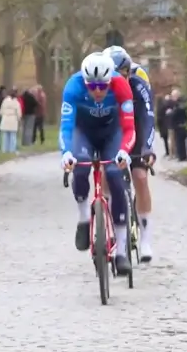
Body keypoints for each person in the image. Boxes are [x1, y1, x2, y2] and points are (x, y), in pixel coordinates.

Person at [59, 52, 136, 275]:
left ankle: (121, 251)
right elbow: (66, 127)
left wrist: (124, 151)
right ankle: (84, 219)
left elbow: (130, 128)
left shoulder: (121, 86)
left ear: (110, 80)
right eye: (92, 86)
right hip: (83, 132)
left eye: (103, 86)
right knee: (81, 167)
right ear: (84, 81)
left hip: (112, 133)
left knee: (114, 174)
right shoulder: (73, 87)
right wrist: (66, 153)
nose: (98, 91)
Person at [105, 47, 157, 262]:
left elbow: (147, 119)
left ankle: (145, 239)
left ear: (128, 72)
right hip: (112, 132)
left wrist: (146, 148)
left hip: (135, 130)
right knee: (105, 172)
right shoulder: (100, 88)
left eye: (122, 74)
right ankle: (105, 223)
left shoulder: (138, 85)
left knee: (141, 177)